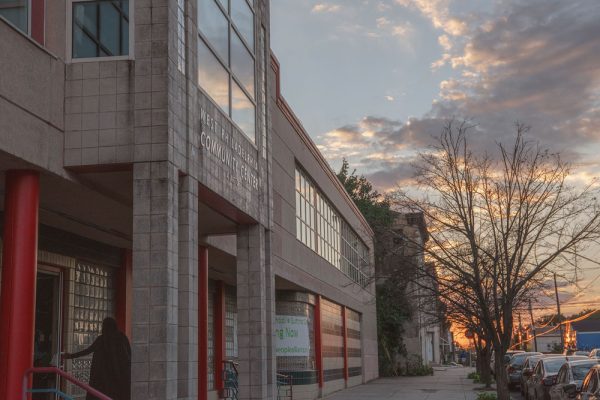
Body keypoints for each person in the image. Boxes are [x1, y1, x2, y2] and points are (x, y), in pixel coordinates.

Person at [64, 317, 131, 400]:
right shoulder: (122, 338)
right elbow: (127, 357)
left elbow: (87, 351)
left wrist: (70, 356)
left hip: (101, 380)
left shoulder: (101, 339)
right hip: (118, 379)